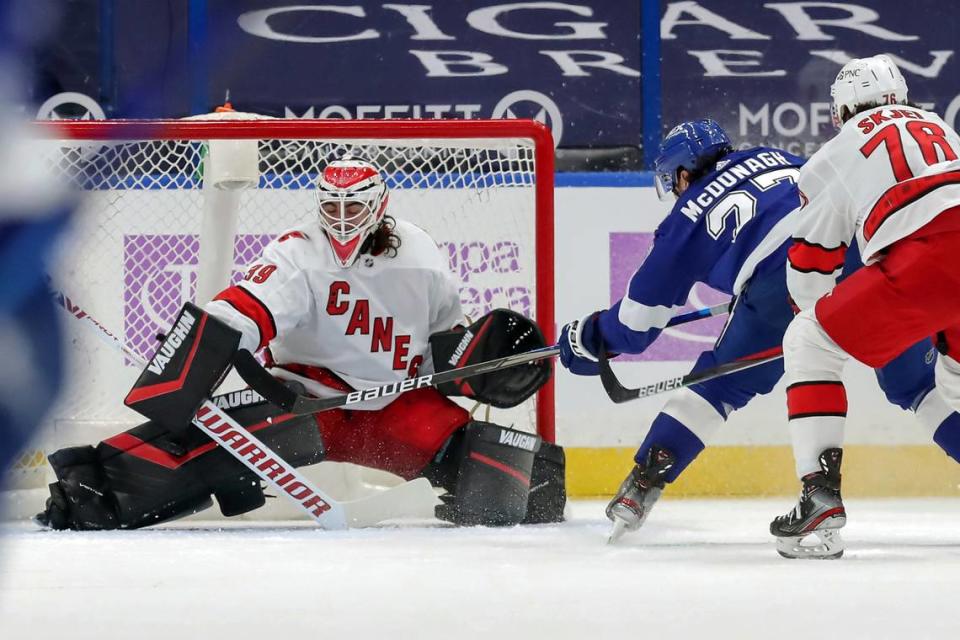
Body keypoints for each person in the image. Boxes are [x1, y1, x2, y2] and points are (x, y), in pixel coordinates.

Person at [36, 159, 564, 530]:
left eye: (352, 208)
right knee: (168, 465)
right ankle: (91, 492)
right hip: (310, 401)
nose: (340, 220)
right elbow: (245, 308)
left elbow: (446, 340)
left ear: (379, 206)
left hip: (397, 406)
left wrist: (476, 367)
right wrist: (203, 345)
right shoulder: (297, 252)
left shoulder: (421, 251)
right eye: (330, 207)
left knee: (520, 485)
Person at [557, 119, 960, 542]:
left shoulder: (689, 210)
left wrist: (588, 337)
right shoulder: (779, 158)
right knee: (919, 386)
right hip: (862, 258)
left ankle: (641, 488)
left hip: (778, 289)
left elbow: (636, 325)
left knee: (716, 388)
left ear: (681, 174)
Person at [771, 54, 960, 559]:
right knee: (956, 389)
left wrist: (819, 329)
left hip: (929, 258)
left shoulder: (839, 149)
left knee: (807, 340)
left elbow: (812, 264)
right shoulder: (941, 126)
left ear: (842, 110)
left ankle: (819, 497)